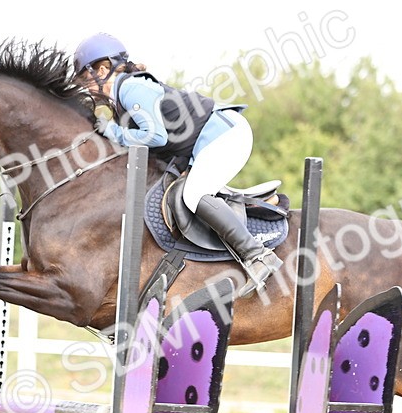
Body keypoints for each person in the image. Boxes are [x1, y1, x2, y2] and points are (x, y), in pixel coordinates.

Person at [72, 32, 283, 297]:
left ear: (103, 69)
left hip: (226, 134)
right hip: (207, 143)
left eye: (85, 79)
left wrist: (112, 131)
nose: (86, 88)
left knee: (194, 195)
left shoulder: (129, 87)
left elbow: (155, 136)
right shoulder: (123, 97)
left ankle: (257, 255)